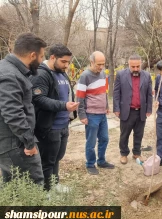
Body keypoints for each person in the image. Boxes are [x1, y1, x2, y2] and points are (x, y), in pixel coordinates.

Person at [30, 44, 78, 191]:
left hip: (63, 125)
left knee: (57, 158)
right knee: (47, 162)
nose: (67, 65)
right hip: (50, 127)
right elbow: (38, 99)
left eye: (68, 62)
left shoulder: (61, 73)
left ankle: (54, 184)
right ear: (52, 57)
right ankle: (46, 191)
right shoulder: (41, 74)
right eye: (64, 61)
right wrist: (64, 106)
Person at [0, 33, 46, 185]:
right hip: (16, 144)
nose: (42, 61)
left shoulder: (9, 69)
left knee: (14, 188)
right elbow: (12, 112)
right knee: (32, 185)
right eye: (41, 57)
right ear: (33, 55)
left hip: (12, 142)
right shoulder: (10, 75)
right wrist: (29, 142)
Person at [76, 51, 114, 175]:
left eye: (103, 64)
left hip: (102, 114)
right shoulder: (85, 76)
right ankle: (90, 164)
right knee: (91, 142)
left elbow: (104, 92)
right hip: (91, 114)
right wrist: (82, 115)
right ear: (91, 62)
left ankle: (101, 161)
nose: (101, 67)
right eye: (98, 64)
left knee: (104, 139)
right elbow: (80, 97)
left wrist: (106, 106)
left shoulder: (103, 74)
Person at [113, 54, 152, 164]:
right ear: (129, 65)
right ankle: (124, 153)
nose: (135, 69)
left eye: (137, 66)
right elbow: (116, 93)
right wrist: (116, 108)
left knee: (139, 134)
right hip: (127, 111)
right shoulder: (121, 74)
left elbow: (149, 94)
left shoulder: (147, 76)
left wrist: (149, 109)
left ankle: (137, 153)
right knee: (124, 134)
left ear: (141, 65)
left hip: (141, 111)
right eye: (133, 66)